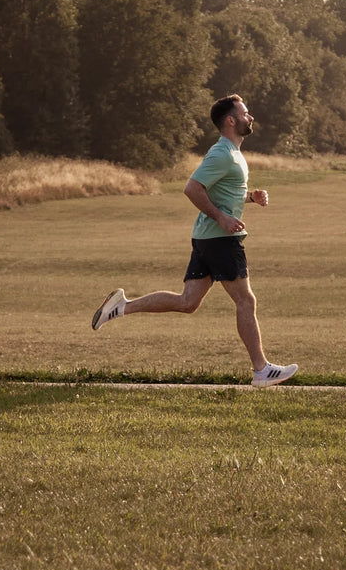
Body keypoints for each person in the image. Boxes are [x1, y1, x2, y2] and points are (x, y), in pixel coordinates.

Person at [91, 94, 299, 387]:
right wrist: (221, 218)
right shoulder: (222, 154)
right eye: (245, 113)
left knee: (188, 302)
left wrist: (250, 197)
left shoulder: (233, 153)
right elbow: (192, 188)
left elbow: (222, 192)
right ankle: (261, 369)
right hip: (220, 239)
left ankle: (121, 306)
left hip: (208, 238)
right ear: (231, 120)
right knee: (245, 299)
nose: (250, 118)